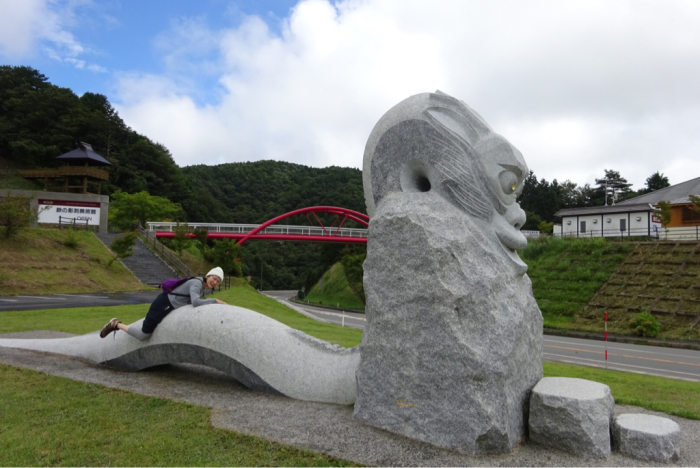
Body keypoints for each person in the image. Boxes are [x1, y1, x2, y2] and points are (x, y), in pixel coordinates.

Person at [100, 267, 228, 341]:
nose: (215, 282)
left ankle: (117, 324)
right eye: (214, 278)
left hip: (168, 306)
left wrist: (206, 301)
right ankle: (116, 324)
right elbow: (195, 302)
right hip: (163, 305)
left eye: (218, 281)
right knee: (143, 336)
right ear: (208, 275)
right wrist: (215, 301)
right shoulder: (197, 283)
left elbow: (191, 299)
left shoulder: (200, 286)